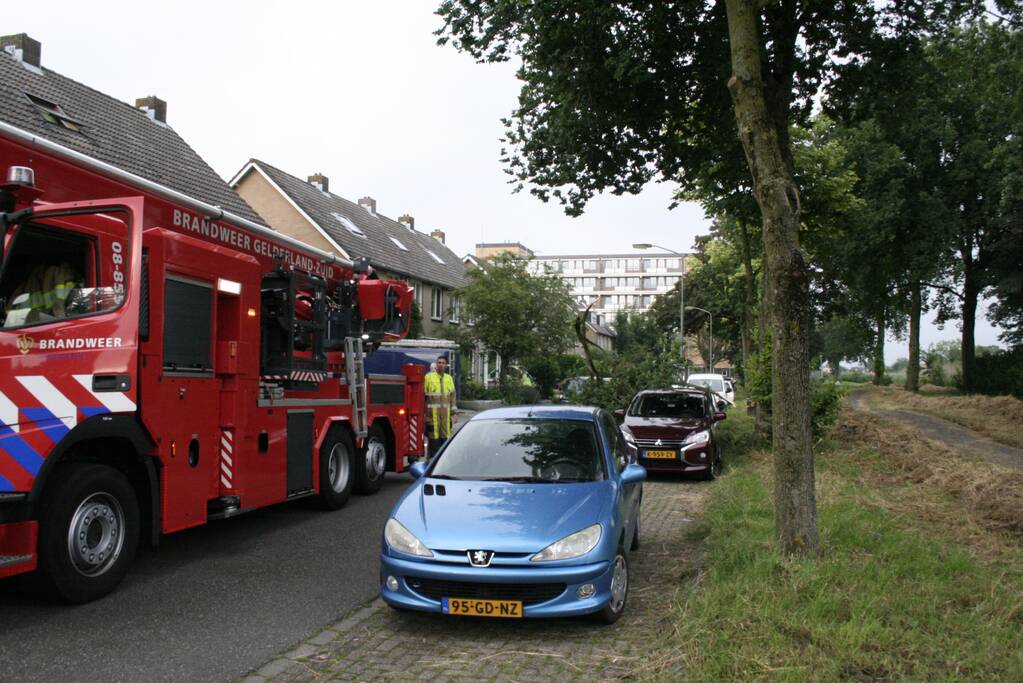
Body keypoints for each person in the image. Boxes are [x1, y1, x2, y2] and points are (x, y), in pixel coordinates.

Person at [424, 354, 457, 457]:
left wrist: (454, 413)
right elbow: (422, 396)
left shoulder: (449, 378)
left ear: (446, 365)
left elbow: (452, 397)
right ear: (436, 364)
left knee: (445, 443)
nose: (441, 365)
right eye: (439, 362)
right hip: (432, 417)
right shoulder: (428, 377)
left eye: (443, 363)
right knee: (433, 443)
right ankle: (432, 464)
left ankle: (443, 463)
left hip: (445, 418)